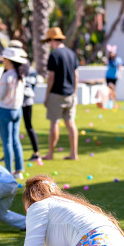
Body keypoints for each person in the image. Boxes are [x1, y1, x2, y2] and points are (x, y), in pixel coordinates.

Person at [42, 27, 79, 161]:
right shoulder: (71, 54)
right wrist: (74, 93)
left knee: (54, 123)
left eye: (49, 41)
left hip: (57, 94)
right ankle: (74, 154)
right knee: (71, 124)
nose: (49, 44)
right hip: (70, 94)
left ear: (53, 40)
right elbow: (76, 75)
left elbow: (51, 77)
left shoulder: (54, 55)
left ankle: (50, 154)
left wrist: (47, 96)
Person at [0, 47, 27, 179]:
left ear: (9, 60)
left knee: (7, 142)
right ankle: (19, 170)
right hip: (17, 110)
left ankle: (8, 171)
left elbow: (0, 96)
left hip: (5, 110)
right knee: (15, 140)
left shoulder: (7, 75)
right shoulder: (20, 76)